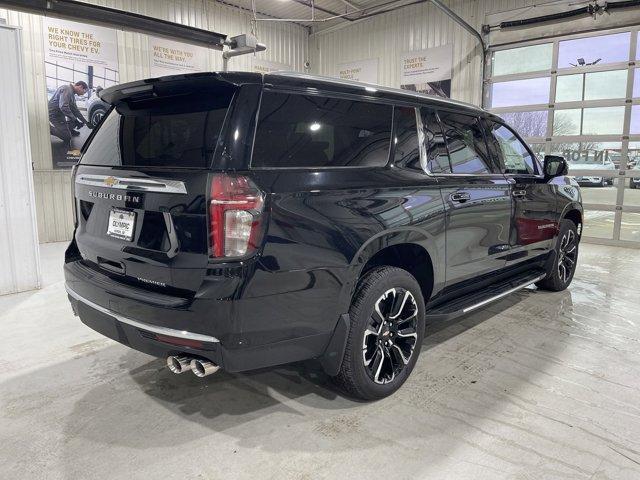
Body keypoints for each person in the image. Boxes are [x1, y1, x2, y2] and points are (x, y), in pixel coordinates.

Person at [48, 81, 93, 152]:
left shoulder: (72, 94)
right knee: (67, 137)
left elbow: (76, 111)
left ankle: (69, 130)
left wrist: (86, 122)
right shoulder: (67, 89)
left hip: (60, 114)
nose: (83, 94)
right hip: (54, 115)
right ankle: (48, 129)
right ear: (80, 86)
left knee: (74, 119)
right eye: (84, 91)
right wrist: (75, 120)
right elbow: (63, 107)